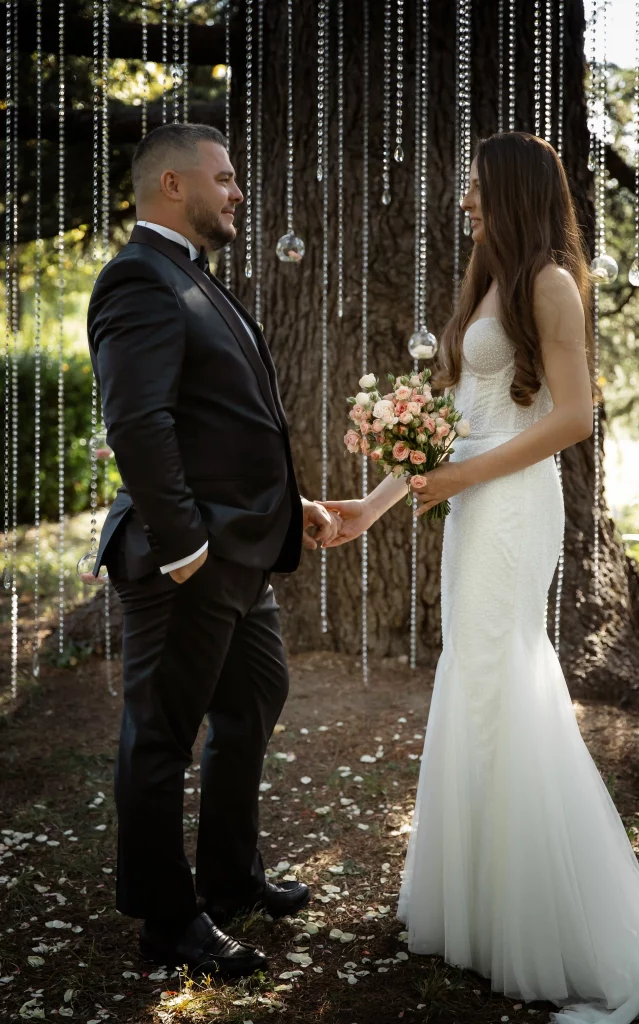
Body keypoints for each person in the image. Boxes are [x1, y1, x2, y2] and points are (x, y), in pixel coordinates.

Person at [323, 132, 639, 1023]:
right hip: (472, 505)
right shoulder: (484, 283)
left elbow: (569, 420)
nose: (463, 202)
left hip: (514, 507)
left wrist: (462, 477)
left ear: (514, 193)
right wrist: (367, 509)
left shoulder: (549, 283)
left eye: (476, 189)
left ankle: (548, 916)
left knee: (503, 680)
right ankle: (480, 908)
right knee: (474, 685)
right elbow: (448, 418)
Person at [87, 122, 340, 979]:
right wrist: (184, 544)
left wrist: (287, 503)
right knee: (160, 737)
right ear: (171, 187)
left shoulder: (193, 277)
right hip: (184, 558)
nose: (236, 193)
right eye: (224, 179)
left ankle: (230, 877)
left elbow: (221, 421)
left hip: (242, 549)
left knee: (254, 698)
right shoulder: (136, 278)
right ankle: (170, 922)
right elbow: (137, 422)